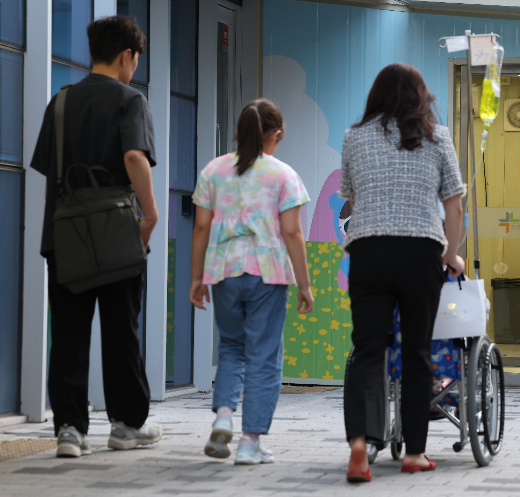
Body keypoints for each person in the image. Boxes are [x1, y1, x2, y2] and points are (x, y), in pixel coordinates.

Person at [29, 16, 162, 457]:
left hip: (65, 231)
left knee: (67, 330)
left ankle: (70, 429)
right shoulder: (130, 100)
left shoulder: (60, 103)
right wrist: (150, 214)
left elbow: (52, 178)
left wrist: (55, 232)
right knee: (121, 328)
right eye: (135, 60)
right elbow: (133, 157)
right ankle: (126, 425)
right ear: (127, 55)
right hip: (117, 230)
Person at [341, 63, 467, 482]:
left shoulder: (354, 137)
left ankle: (360, 444)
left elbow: (353, 201)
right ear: (420, 95)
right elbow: (454, 205)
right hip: (421, 253)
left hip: (369, 252)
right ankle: (414, 453)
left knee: (367, 350)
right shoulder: (436, 136)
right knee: (416, 353)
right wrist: (452, 254)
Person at [189, 99, 313, 465]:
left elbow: (200, 227)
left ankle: (224, 415)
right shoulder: (283, 175)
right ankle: (249, 442)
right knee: (264, 356)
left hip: (223, 272)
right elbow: (291, 232)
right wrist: (304, 284)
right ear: (274, 136)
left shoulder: (214, 170)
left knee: (231, 347)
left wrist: (197, 278)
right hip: (268, 273)